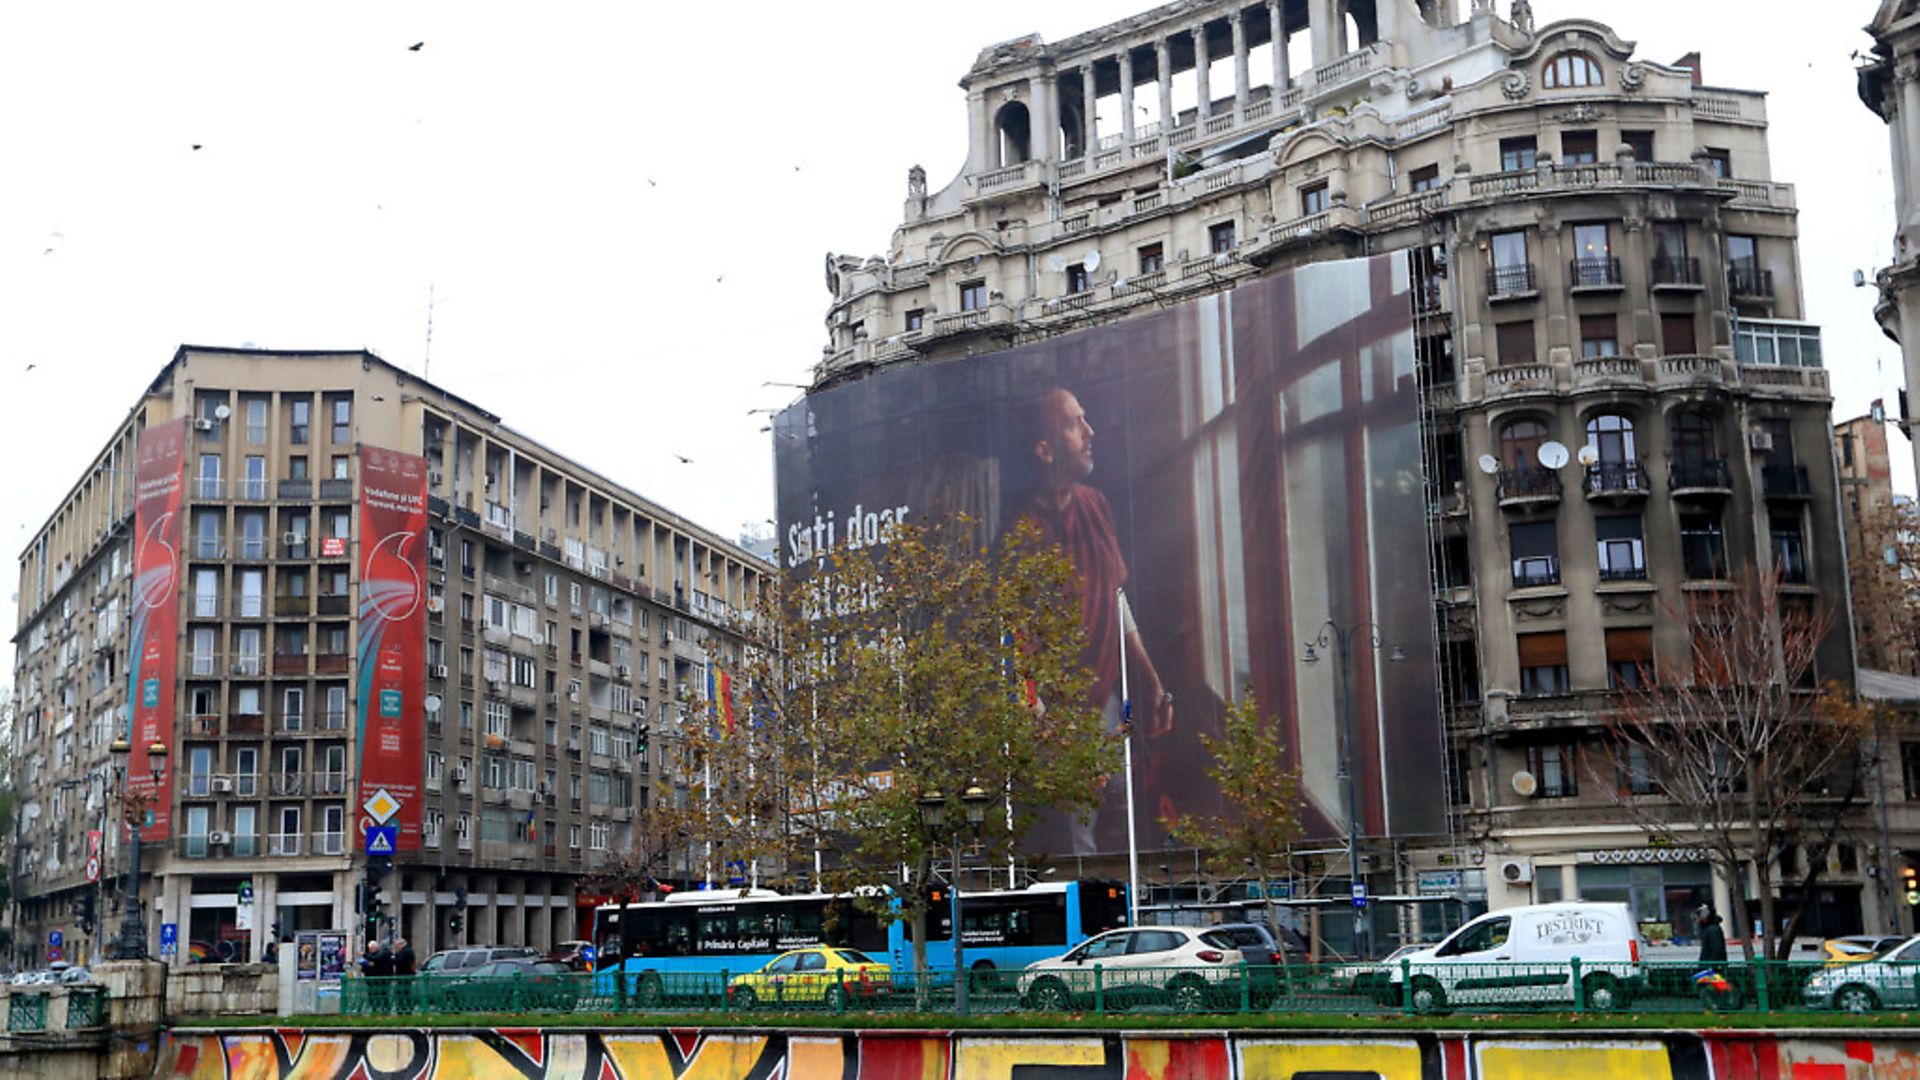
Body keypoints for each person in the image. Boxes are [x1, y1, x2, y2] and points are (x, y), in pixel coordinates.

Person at [1011, 387, 1174, 853]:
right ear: (1045, 450)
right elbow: (1017, 633)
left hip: (1107, 696)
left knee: (1122, 800)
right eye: (1074, 423)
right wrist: (1041, 715)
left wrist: (1154, 682)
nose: (1090, 432)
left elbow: (1115, 596)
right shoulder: (1025, 531)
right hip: (1061, 706)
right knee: (1079, 820)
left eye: (1086, 419)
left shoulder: (1095, 504)